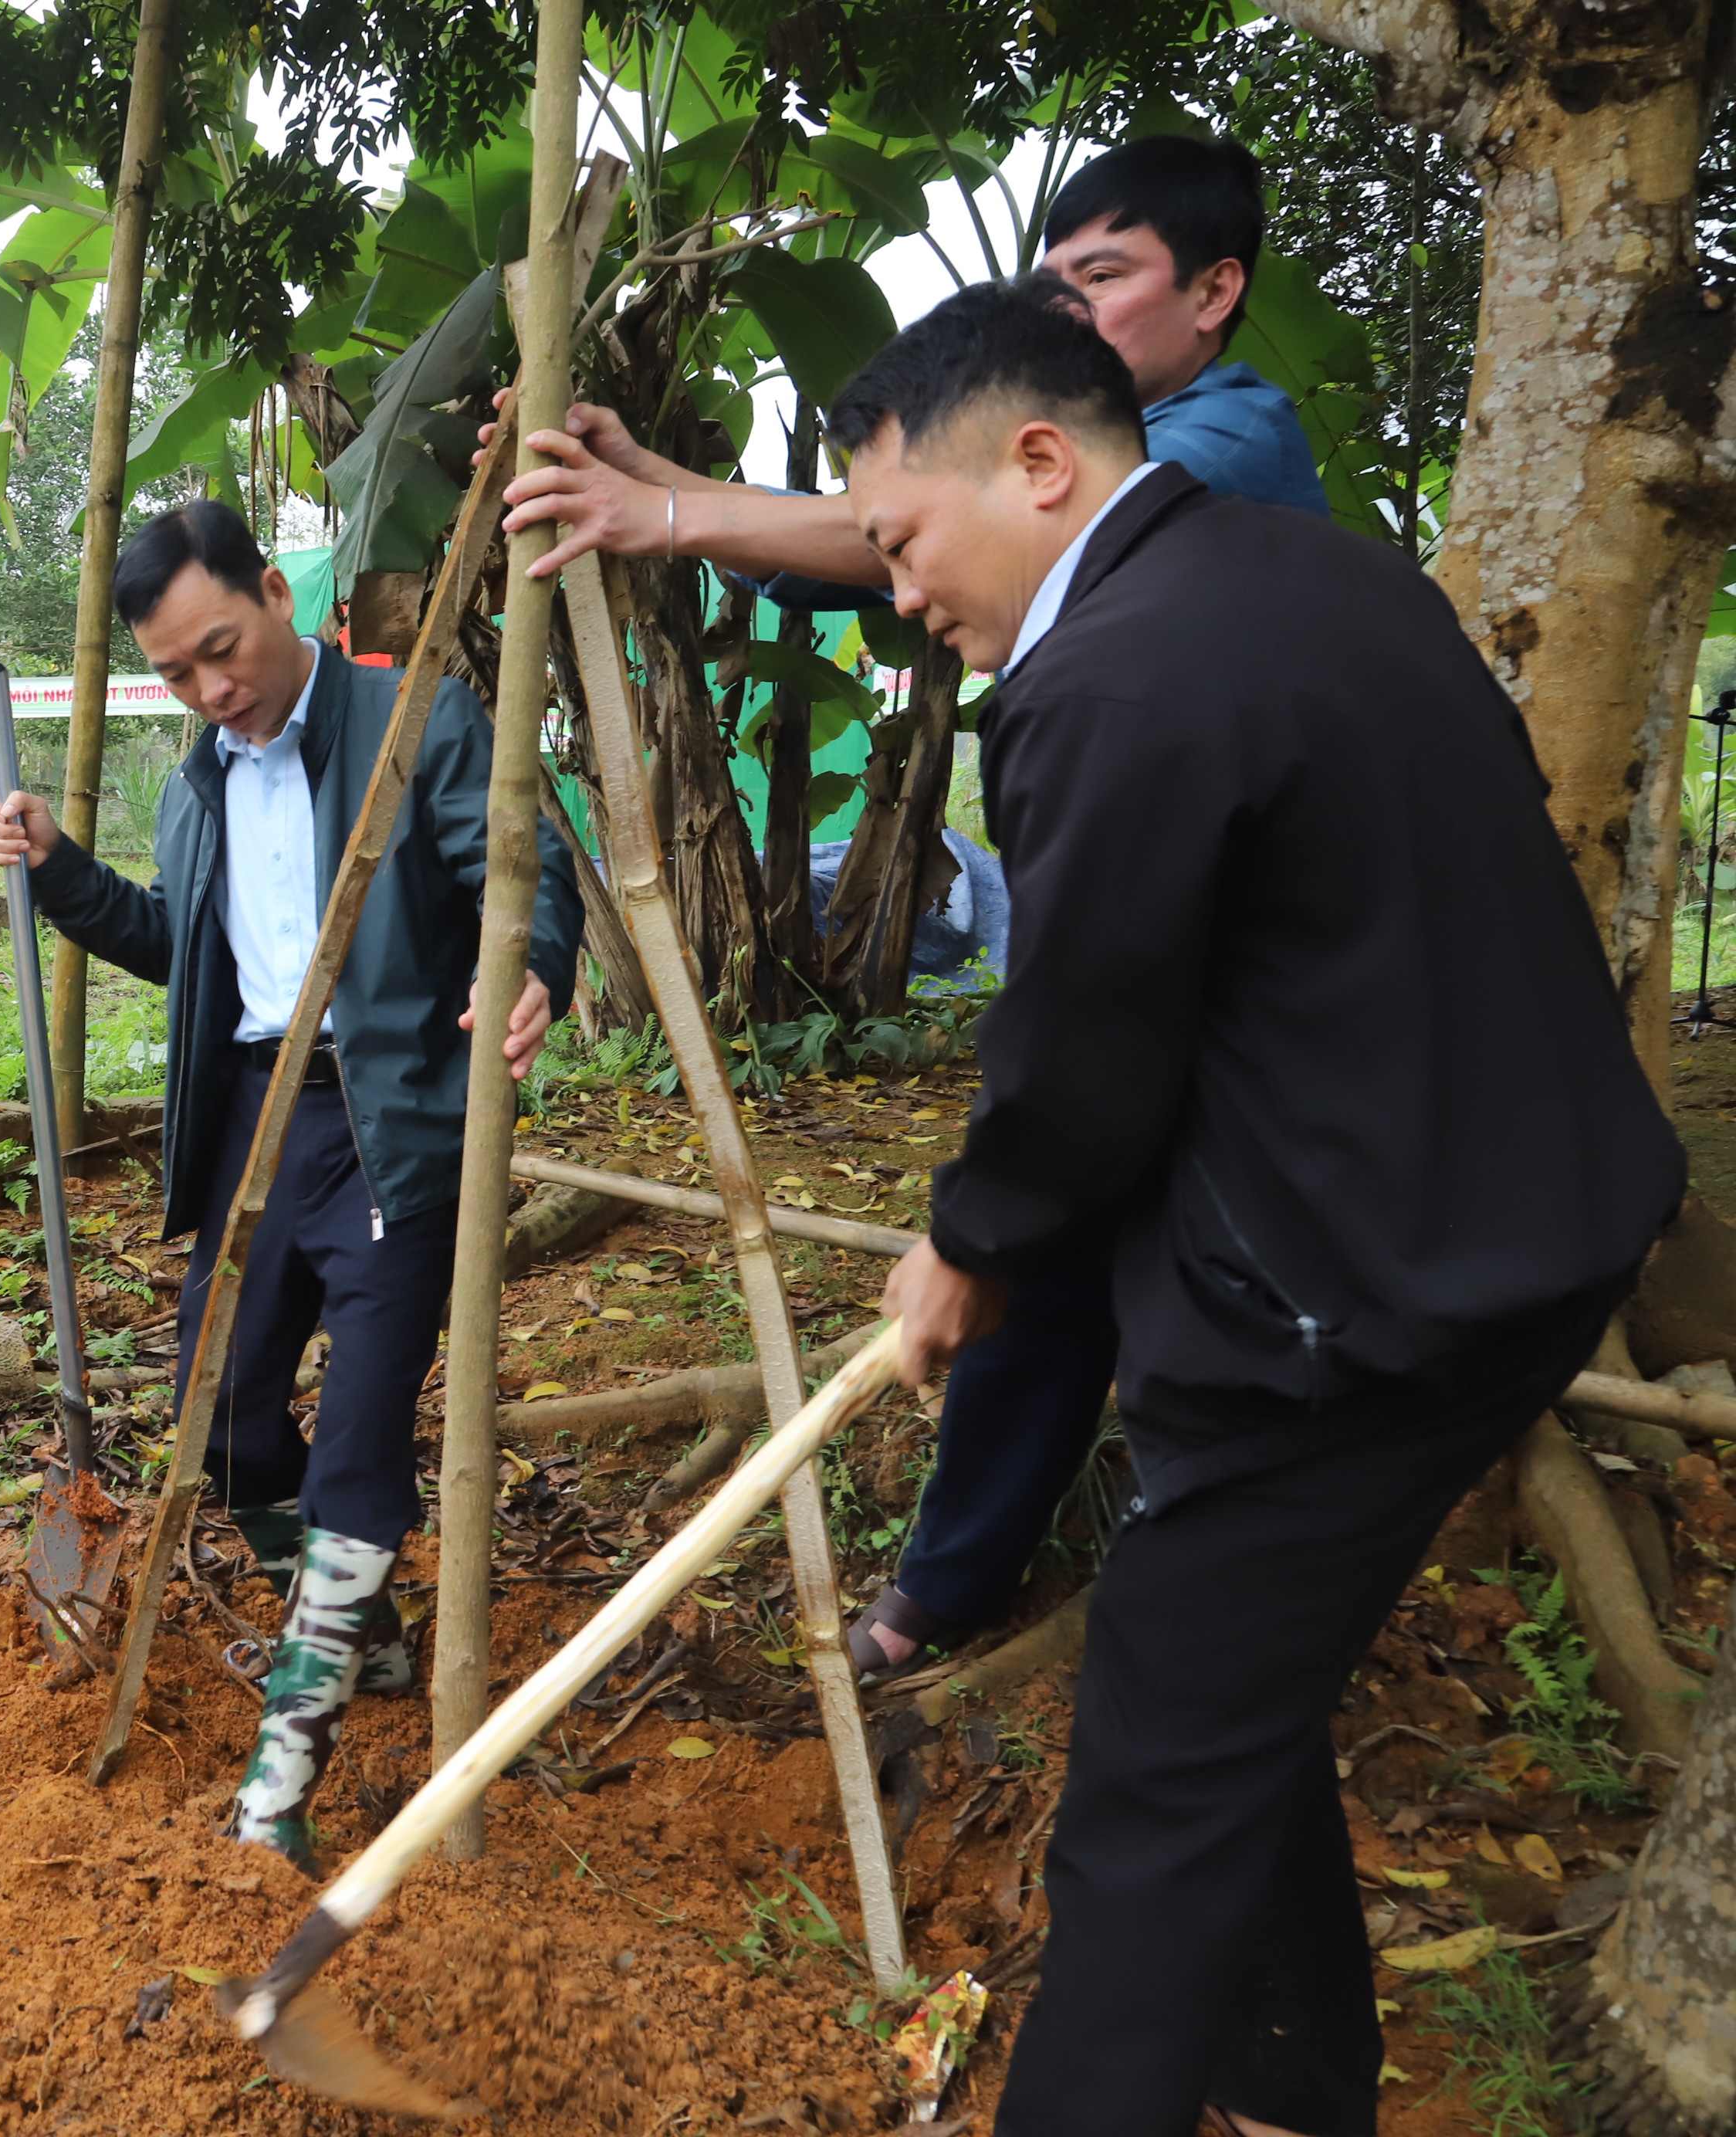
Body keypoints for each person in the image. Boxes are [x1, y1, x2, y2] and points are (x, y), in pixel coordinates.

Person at [831, 279, 1678, 2137]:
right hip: (1533, 1215)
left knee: (1153, 1767)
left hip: (1361, 1301)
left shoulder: (1108, 677)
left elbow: (1084, 1054)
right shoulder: (1324, 580)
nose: (897, 591)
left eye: (898, 538)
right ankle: (1293, 2080)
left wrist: (970, 1238)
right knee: (1222, 1662)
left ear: (1038, 464)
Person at [497, 134, 1334, 1681]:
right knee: (1056, 1240)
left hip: (1276, 1011)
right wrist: (653, 482)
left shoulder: (1209, 452)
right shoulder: (1046, 517)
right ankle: (949, 1587)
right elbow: (891, 529)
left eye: (1105, 280)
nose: (1071, 322)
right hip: (1192, 987)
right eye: (1054, 288)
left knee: (1165, 1268)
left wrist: (660, 518)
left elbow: (891, 531)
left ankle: (1179, 1591)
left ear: (1215, 292)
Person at [0, 500, 584, 1867]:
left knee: (359, 1436)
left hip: (389, 1116)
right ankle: (358, 1630)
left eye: (222, 648)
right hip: (255, 1122)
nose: (209, 688)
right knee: (226, 1420)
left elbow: (520, 875)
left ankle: (283, 1775)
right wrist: (63, 872)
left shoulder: (411, 719)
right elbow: (182, 952)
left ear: (276, 593)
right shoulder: (199, 784)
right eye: (178, 672)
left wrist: (531, 966)